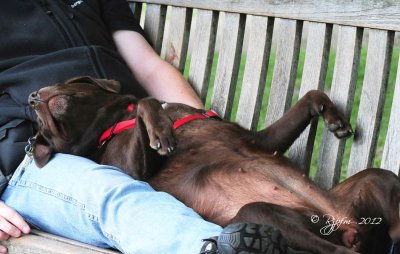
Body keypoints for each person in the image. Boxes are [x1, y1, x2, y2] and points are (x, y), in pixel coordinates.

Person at [0, 1, 288, 253]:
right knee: (110, 194)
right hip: (38, 157)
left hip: (132, 138)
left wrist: (211, 128)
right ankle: (210, 247)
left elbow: (147, 66)